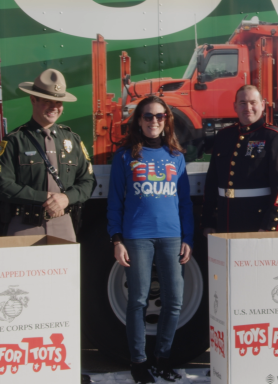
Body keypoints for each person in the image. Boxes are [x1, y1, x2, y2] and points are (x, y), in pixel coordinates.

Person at [107, 95, 193, 383]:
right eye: (147, 116)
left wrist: (187, 237)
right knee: (138, 301)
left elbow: (185, 203)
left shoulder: (176, 157)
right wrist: (116, 239)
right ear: (139, 120)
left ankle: (163, 358)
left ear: (166, 120)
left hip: (171, 236)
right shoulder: (124, 156)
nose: (153, 121)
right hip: (137, 237)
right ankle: (139, 362)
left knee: (175, 301)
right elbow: (115, 201)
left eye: (159, 116)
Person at [0, 69, 96, 241]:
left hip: (63, 223)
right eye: (48, 101)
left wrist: (66, 198)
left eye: (58, 102)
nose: (54, 107)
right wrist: (44, 198)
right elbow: (1, 186)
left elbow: (88, 181)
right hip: (24, 225)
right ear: (33, 99)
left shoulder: (72, 140)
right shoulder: (15, 140)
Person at [202, 85, 278, 235]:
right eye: (242, 103)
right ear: (235, 107)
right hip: (226, 222)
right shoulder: (224, 136)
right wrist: (209, 220)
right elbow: (212, 182)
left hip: (258, 224)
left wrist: (270, 227)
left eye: (253, 102)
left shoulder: (275, 137)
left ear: (262, 105)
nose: (248, 107)